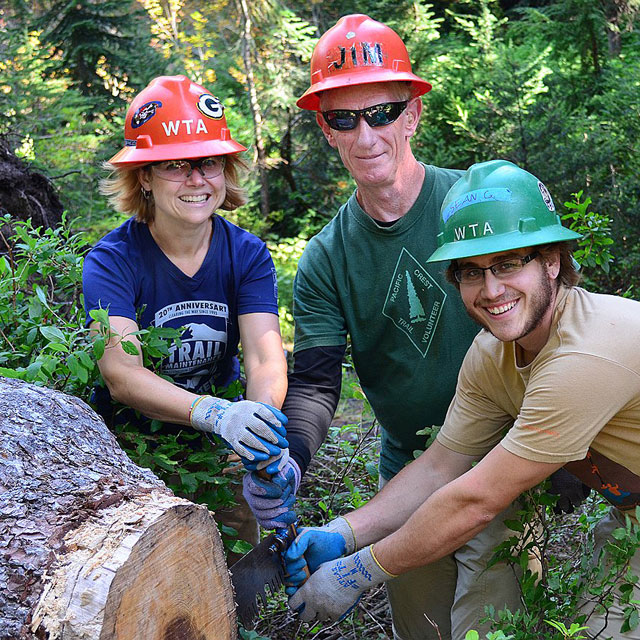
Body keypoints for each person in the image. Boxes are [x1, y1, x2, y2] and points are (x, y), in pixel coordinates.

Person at [242, 14, 526, 640]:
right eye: (345, 118)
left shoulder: (473, 206)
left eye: (382, 112)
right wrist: (286, 457)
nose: (366, 133)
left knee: (493, 624)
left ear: (413, 115)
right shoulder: (325, 259)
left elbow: (550, 325)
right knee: (423, 629)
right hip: (408, 473)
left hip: (501, 463)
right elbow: (317, 387)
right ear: (326, 129)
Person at [284, 159, 640, 640]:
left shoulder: (583, 356)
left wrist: (357, 572)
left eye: (509, 263)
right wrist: (345, 533)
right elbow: (441, 467)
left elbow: (477, 501)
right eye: (472, 272)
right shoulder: (493, 352)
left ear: (552, 260)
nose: (491, 290)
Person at [82, 75, 291, 559]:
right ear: (145, 178)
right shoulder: (113, 260)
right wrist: (216, 414)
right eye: (176, 165)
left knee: (234, 576)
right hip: (130, 453)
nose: (197, 179)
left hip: (219, 456)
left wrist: (260, 430)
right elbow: (121, 373)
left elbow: (265, 359)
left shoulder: (247, 255)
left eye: (209, 162)